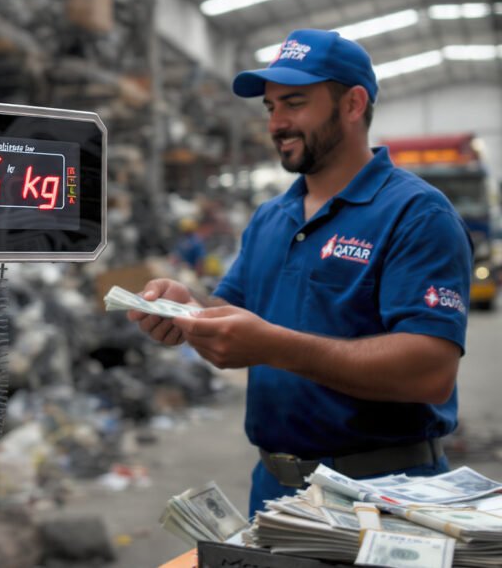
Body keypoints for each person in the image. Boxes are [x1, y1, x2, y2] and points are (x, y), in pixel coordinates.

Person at [127, 29, 472, 515]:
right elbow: (235, 317)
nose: (277, 123)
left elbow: (431, 371)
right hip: (274, 491)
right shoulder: (273, 218)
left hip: (385, 495)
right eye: (270, 108)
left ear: (353, 104)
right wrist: (188, 311)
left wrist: (273, 346)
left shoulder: (416, 214)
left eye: (294, 103)